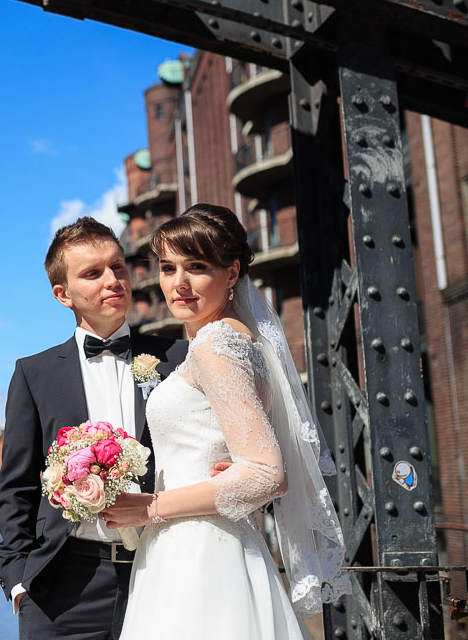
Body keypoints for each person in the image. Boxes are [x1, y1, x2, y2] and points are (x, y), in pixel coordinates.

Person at [99, 204, 349, 639]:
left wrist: (150, 506)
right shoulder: (235, 338)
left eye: (195, 267)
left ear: (231, 273)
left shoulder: (216, 344)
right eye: (167, 267)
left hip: (199, 554)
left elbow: (268, 474)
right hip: (206, 541)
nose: (178, 284)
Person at [0, 217, 190, 639]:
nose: (113, 280)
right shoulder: (34, 374)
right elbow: (17, 487)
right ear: (62, 295)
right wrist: (18, 581)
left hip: (162, 572)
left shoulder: (179, 359)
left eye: (118, 266)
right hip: (64, 589)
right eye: (93, 273)